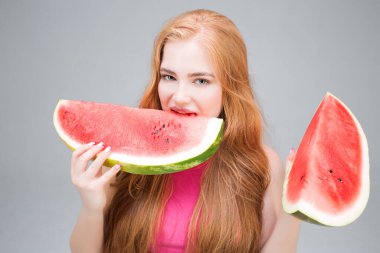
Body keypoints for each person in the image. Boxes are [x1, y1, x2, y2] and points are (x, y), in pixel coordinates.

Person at [69, 9, 300, 253]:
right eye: (168, 77)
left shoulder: (263, 166)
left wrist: (293, 212)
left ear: (230, 87)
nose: (179, 97)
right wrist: (91, 208)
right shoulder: (124, 154)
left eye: (200, 81)